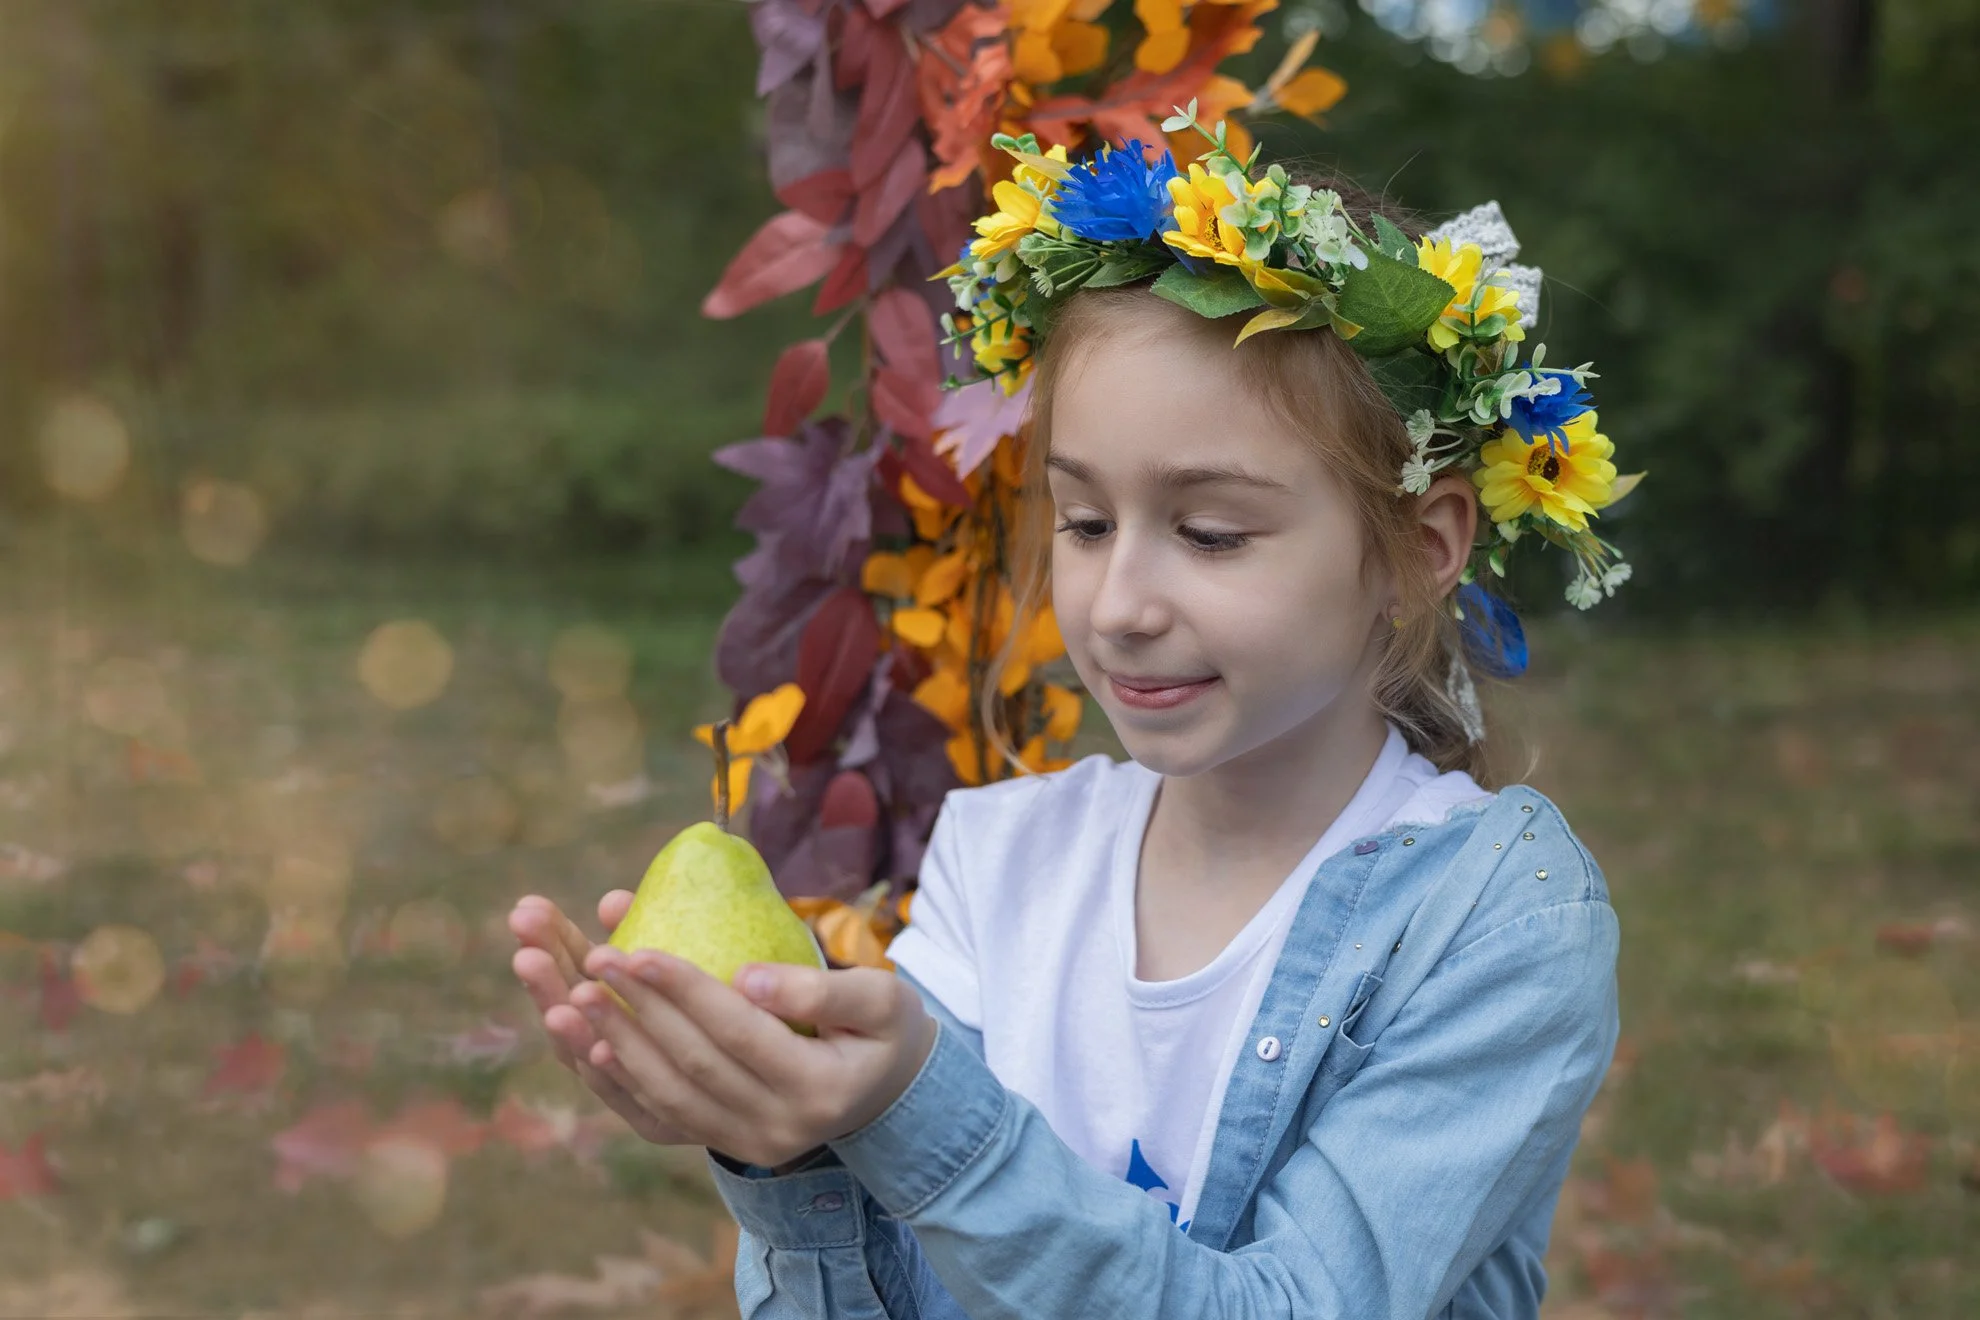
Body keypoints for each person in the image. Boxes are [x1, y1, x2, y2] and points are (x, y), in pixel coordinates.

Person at [509, 125, 1629, 1319]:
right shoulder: (1001, 865)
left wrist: (919, 1112)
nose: (1118, 606)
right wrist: (789, 1147)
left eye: (1210, 534)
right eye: (1086, 523)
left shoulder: (1491, 924)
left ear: (1419, 549)